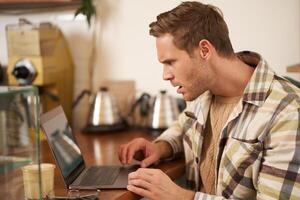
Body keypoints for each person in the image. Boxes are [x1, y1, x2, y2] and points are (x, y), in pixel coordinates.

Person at [118, 1, 300, 199]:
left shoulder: (287, 113)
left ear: (204, 50)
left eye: (170, 62)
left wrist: (182, 197)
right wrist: (161, 147)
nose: (165, 75)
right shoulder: (203, 91)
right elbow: (184, 125)